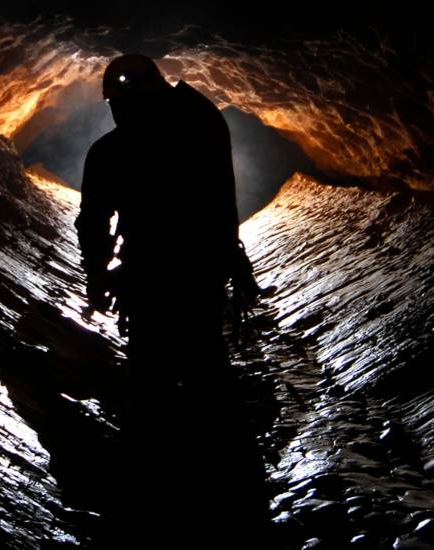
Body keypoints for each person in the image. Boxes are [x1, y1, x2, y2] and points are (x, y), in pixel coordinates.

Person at [75, 53, 268, 549]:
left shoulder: (111, 152)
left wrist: (97, 275)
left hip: (157, 277)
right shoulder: (196, 127)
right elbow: (221, 204)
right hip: (193, 274)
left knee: (158, 373)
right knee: (203, 364)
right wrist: (231, 261)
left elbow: (94, 223)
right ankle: (231, 491)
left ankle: (156, 493)